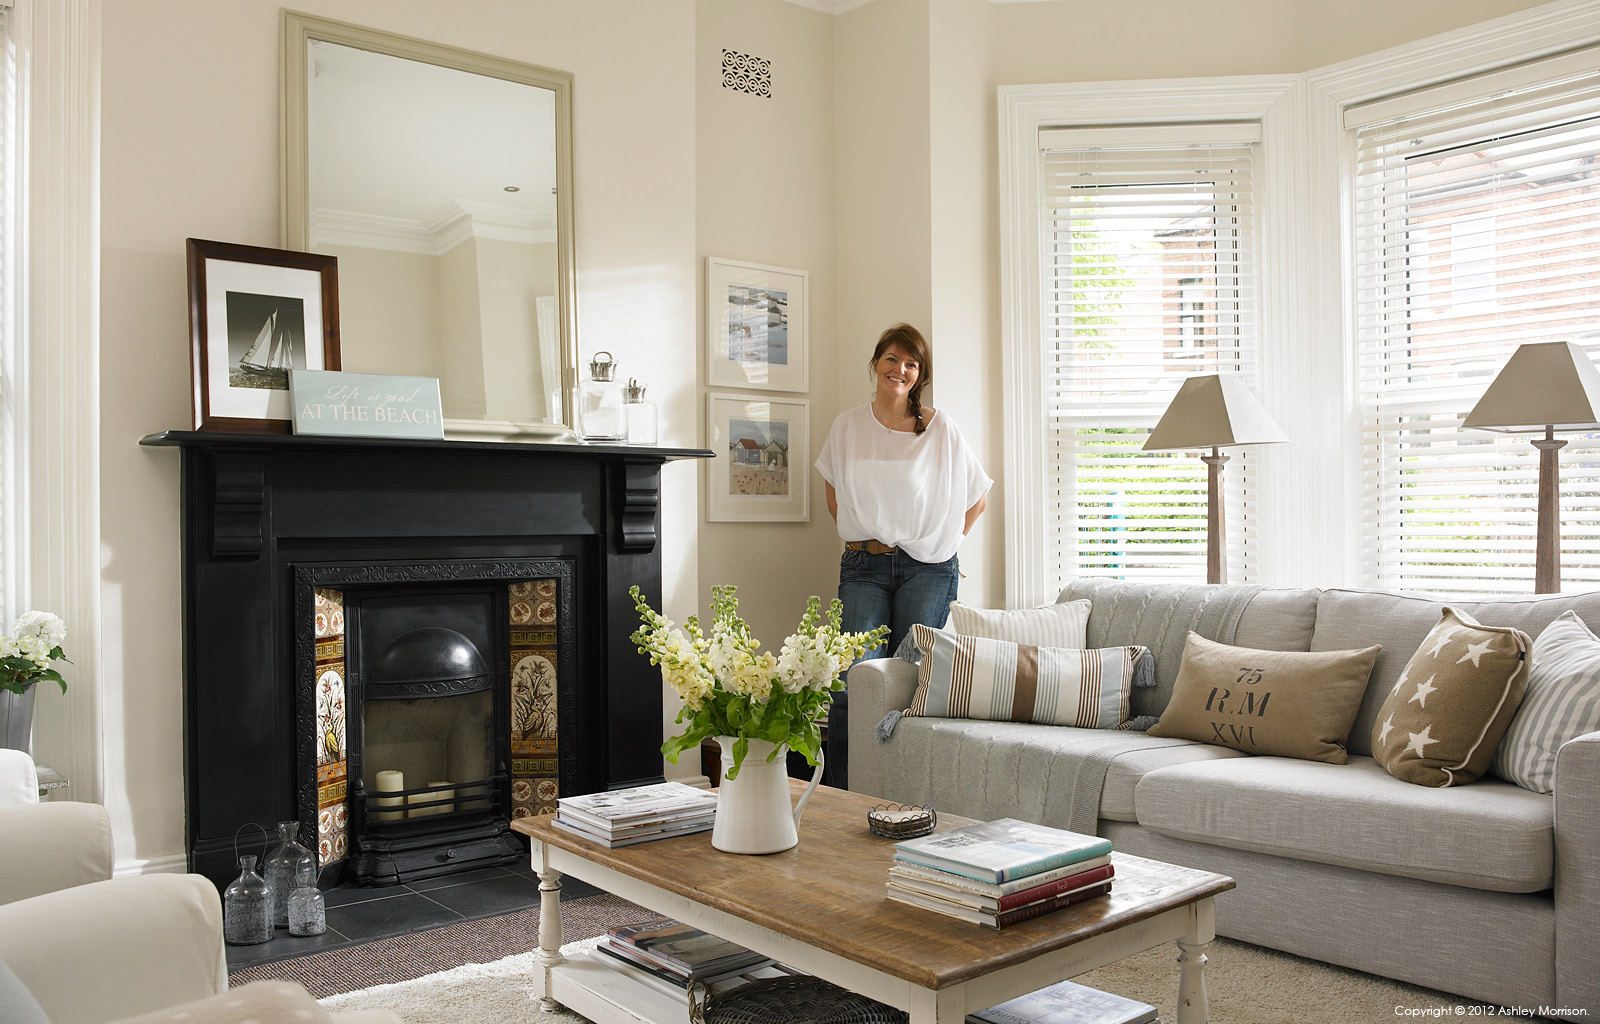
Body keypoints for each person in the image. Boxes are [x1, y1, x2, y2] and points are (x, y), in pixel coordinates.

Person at [813, 323, 991, 789]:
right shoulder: (848, 425)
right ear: (876, 364)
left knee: (910, 682)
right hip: (863, 567)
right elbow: (834, 497)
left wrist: (942, 545)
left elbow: (977, 498)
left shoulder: (938, 428)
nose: (901, 370)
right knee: (855, 678)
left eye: (911, 364)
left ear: (920, 375)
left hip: (927, 569)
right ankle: (845, 794)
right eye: (892, 359)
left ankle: (900, 791)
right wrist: (866, 538)